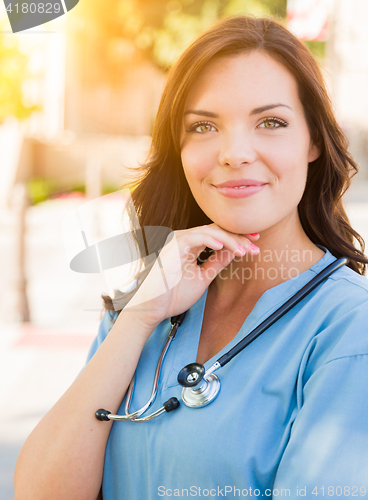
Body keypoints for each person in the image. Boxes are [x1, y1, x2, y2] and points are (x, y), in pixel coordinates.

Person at [15, 15, 368, 500]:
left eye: (270, 122)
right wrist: (139, 316)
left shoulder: (350, 329)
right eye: (203, 126)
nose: (234, 153)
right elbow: (42, 491)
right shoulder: (150, 301)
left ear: (313, 140)